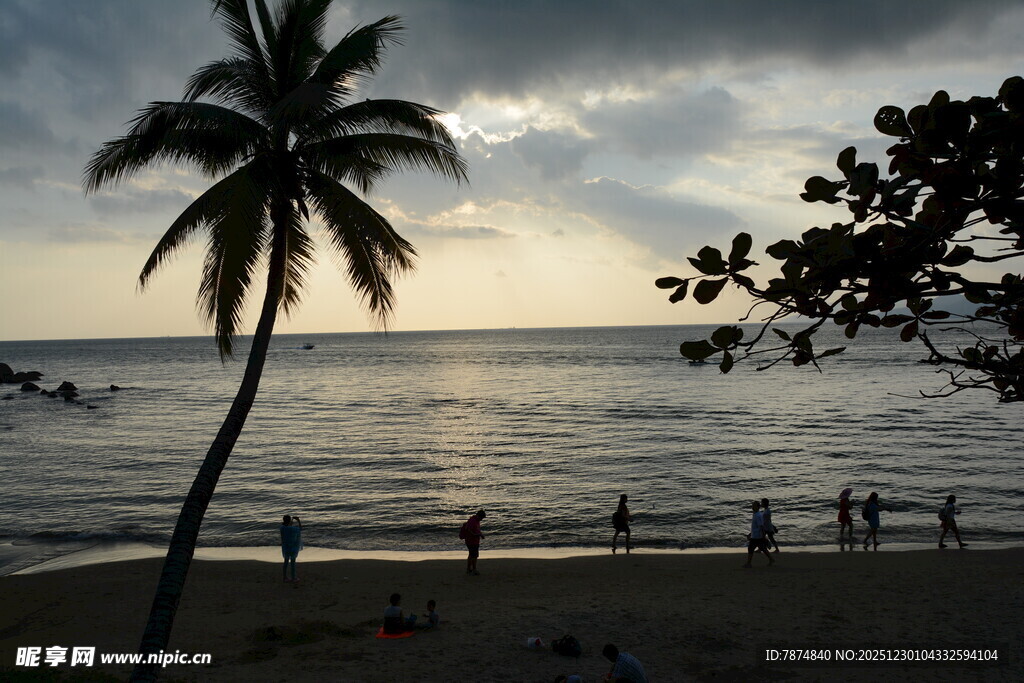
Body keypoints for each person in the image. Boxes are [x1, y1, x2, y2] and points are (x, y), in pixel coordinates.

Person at [743, 500, 774, 568]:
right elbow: (755, 526)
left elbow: (761, 526)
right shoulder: (755, 514)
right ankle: (771, 559)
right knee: (762, 548)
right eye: (752, 506)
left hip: (757, 536)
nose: (752, 507)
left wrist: (763, 536)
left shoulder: (758, 515)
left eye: (754, 506)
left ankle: (749, 563)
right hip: (755, 535)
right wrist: (750, 534)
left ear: (758, 507)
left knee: (750, 548)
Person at [279, 514, 302, 582]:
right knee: (293, 563)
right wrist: (298, 521)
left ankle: (285, 577)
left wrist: (290, 523)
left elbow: (287, 531)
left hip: (285, 547)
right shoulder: (292, 529)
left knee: (286, 562)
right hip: (292, 547)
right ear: (289, 521)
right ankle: (293, 578)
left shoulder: (282, 528)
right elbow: (300, 529)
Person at [463, 509, 486, 575]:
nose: (482, 519)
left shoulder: (474, 520)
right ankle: (474, 569)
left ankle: (468, 569)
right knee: (474, 556)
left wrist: (480, 534)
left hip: (471, 541)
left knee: (471, 555)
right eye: (482, 518)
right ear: (479, 516)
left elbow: (476, 529)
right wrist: (476, 535)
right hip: (472, 541)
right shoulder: (473, 521)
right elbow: (469, 530)